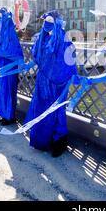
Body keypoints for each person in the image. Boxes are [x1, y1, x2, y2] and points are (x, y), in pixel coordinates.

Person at [24, 11, 77, 157]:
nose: (46, 23)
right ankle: (42, 140)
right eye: (45, 20)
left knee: (57, 112)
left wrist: (61, 80)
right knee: (41, 110)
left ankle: (59, 142)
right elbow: (38, 58)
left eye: (50, 20)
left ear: (57, 23)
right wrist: (27, 66)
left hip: (57, 84)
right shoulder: (43, 39)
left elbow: (70, 65)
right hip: (42, 82)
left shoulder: (65, 42)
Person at [0, 8, 24, 126]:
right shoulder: (1, 33)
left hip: (9, 69)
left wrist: (0, 52)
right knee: (1, 89)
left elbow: (17, 55)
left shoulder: (10, 35)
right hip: (1, 66)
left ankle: (10, 116)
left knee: (8, 90)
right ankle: (4, 114)